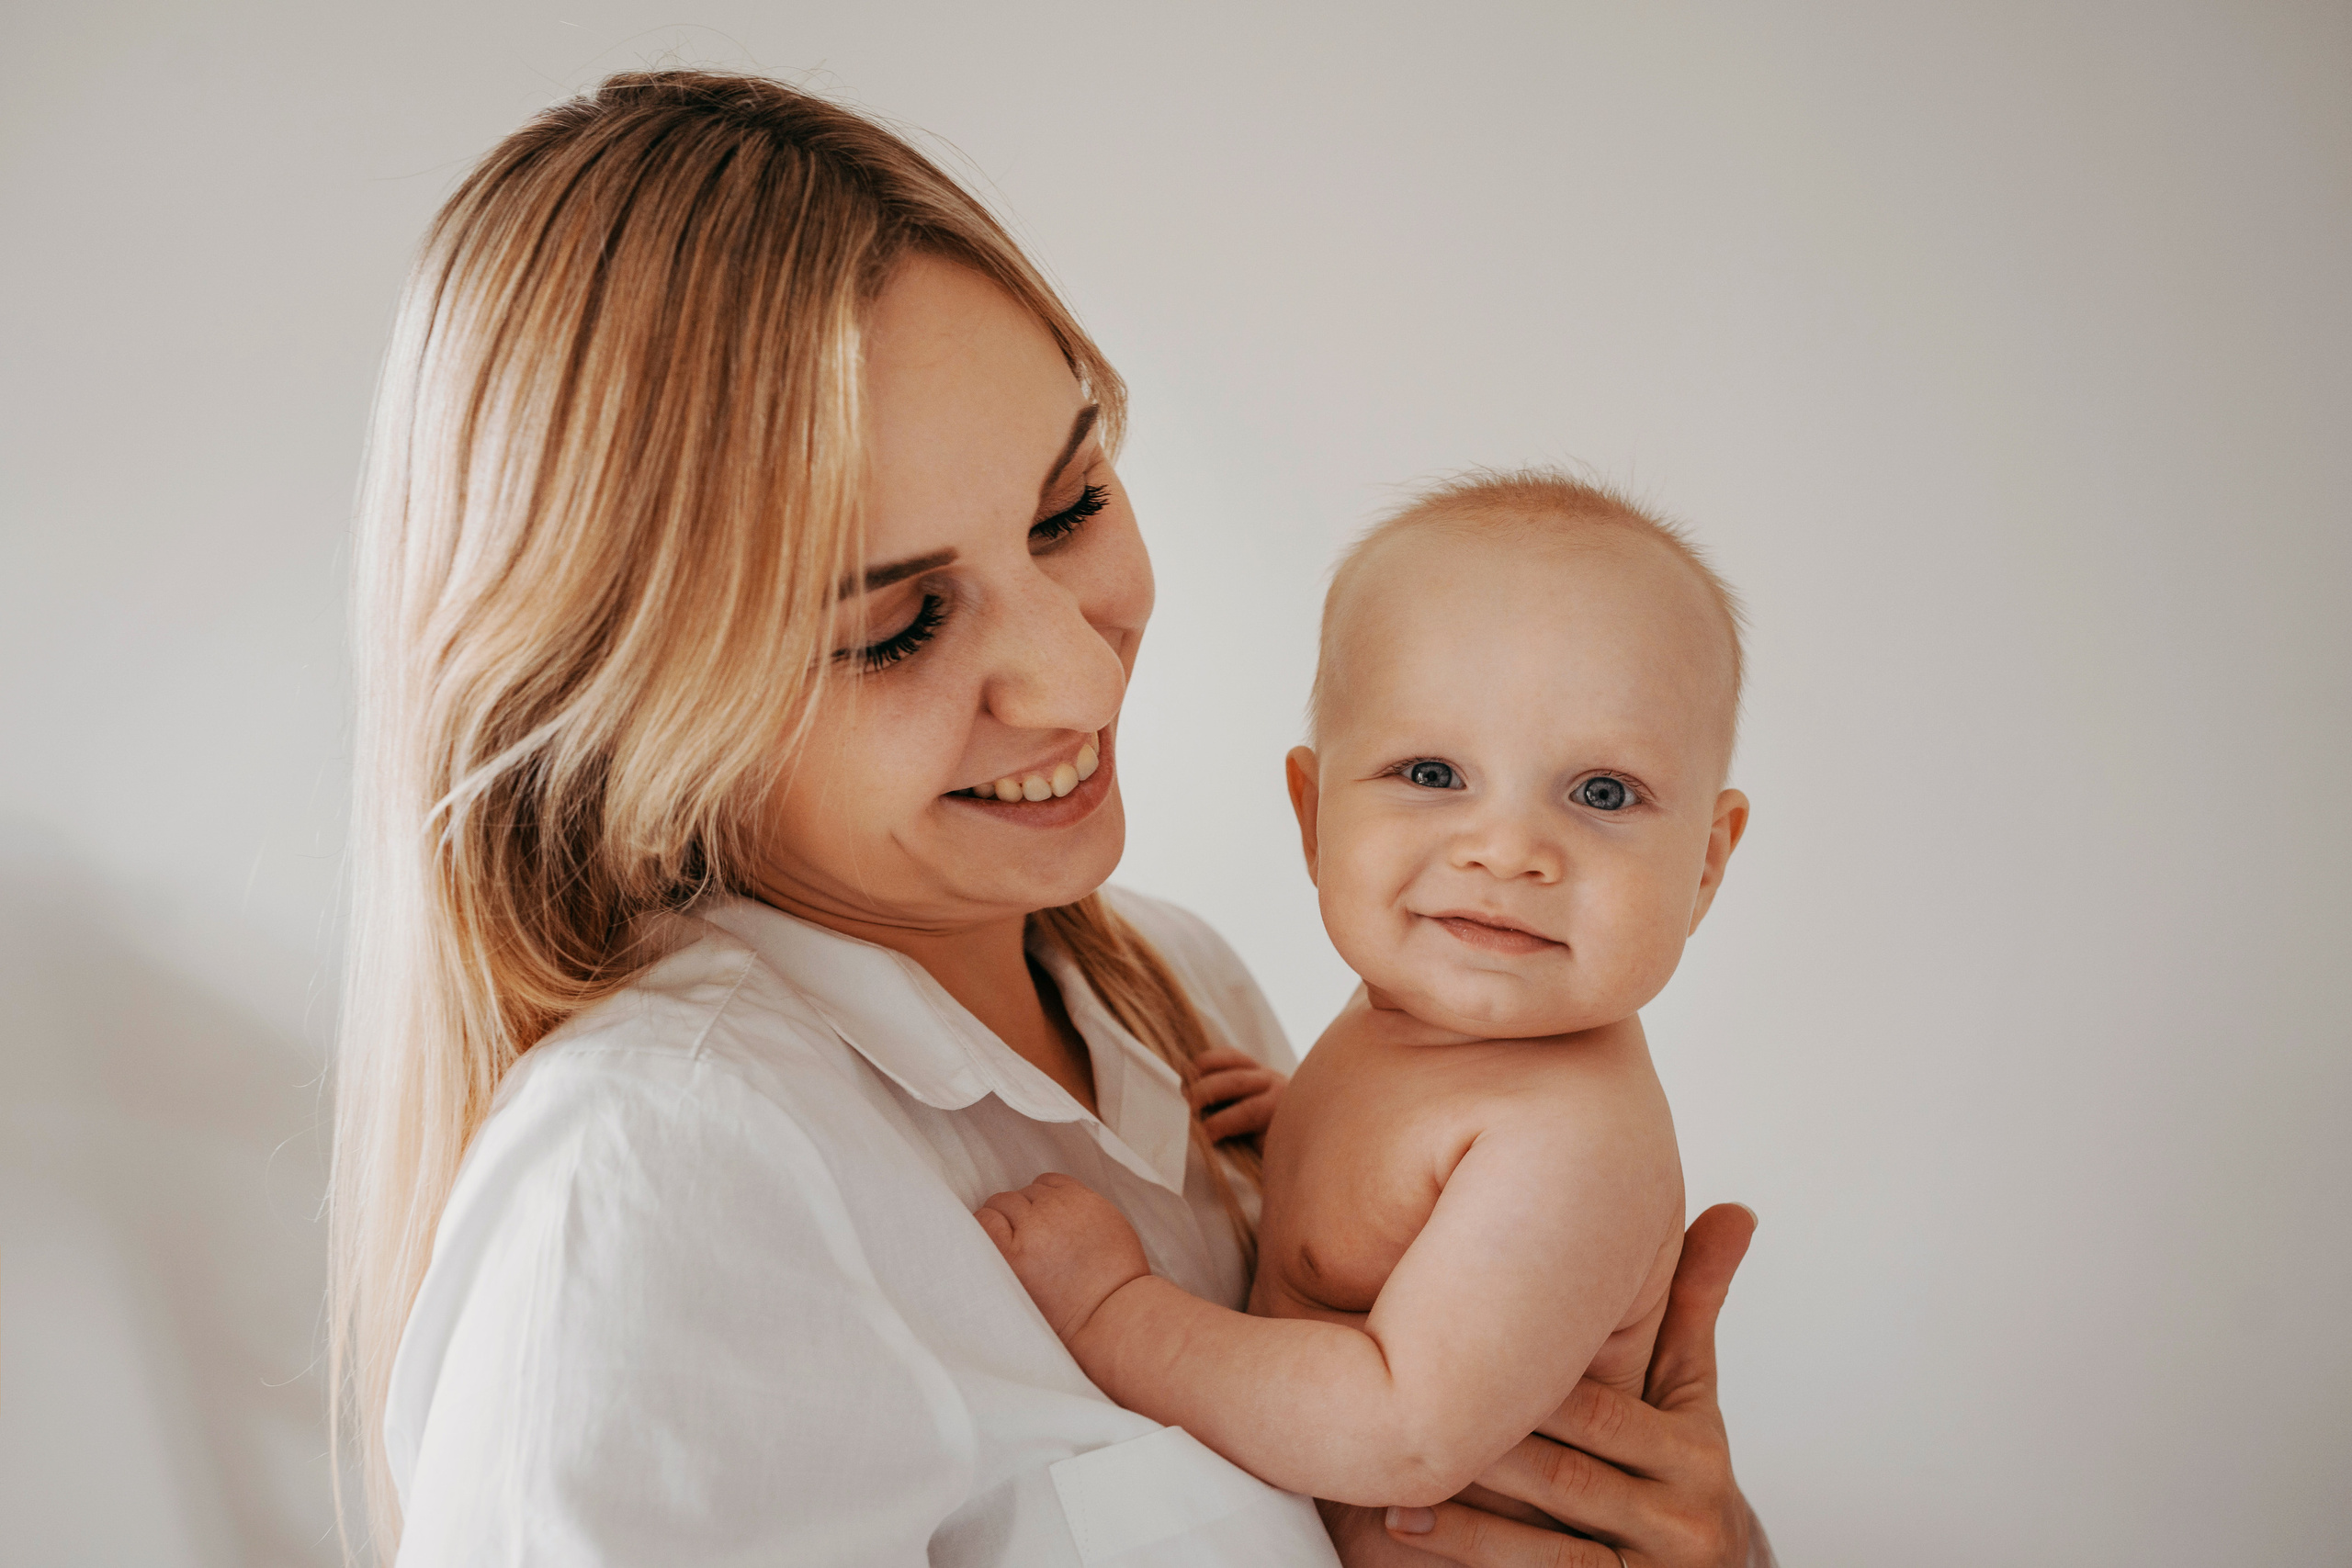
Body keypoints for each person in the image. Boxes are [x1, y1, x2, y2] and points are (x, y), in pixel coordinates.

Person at [329, 68, 1773, 1567]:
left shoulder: (1185, 996)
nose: (1081, 676)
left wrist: (1701, 1544)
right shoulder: (653, 1189)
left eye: (1071, 505)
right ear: (634, 697)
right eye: (897, 623)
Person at [981, 473, 1752, 1562]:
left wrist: (1115, 1309)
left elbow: (1398, 1434)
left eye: (1602, 793)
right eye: (1433, 773)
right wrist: (1312, 1131)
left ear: (1708, 864)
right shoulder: (1423, 1023)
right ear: (1312, 816)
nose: (1505, 850)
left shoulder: (1570, 1142)